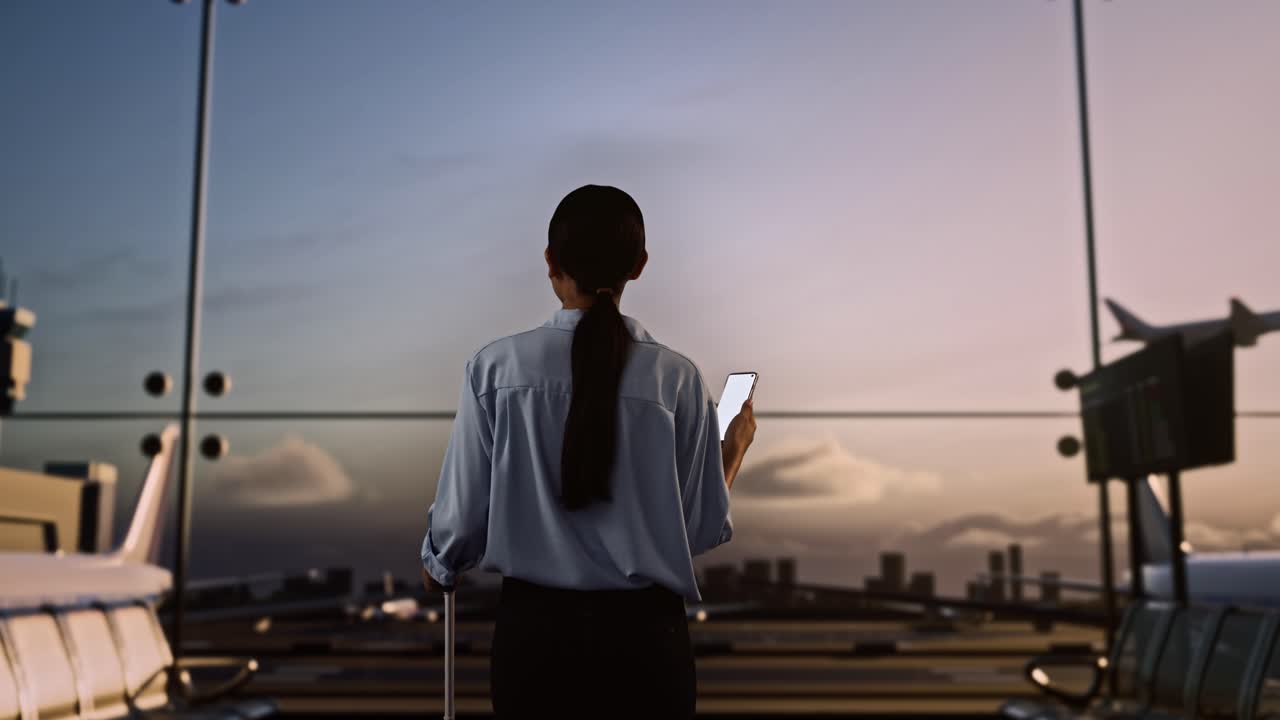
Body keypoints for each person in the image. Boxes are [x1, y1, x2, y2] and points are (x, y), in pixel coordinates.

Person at [419, 184, 756, 719]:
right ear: (639, 266)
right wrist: (731, 451)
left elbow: (458, 528)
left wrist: (438, 567)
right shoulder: (678, 380)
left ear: (550, 261)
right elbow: (694, 530)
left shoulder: (495, 369)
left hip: (535, 644)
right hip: (648, 647)